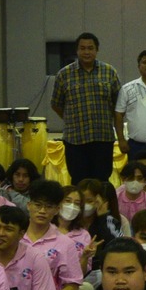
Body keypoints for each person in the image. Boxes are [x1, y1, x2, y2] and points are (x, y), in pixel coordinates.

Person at [50, 30, 121, 181]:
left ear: (97, 50)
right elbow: (56, 104)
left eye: (90, 48)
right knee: (78, 181)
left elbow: (118, 105)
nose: (86, 52)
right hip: (75, 140)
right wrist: (70, 120)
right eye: (82, 48)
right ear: (77, 50)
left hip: (103, 138)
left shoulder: (109, 72)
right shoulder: (64, 74)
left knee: (102, 180)